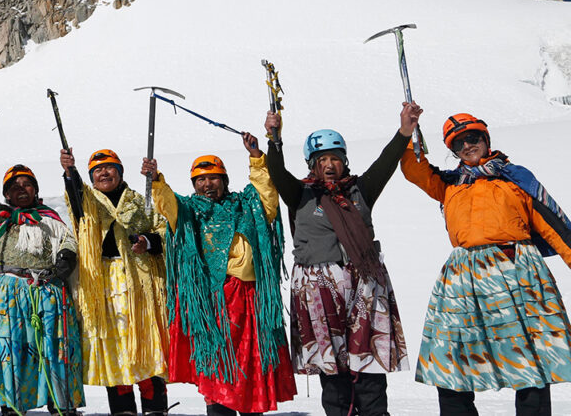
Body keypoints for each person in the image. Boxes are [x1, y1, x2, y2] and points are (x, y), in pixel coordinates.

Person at [399, 108, 571, 416]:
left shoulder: (516, 180)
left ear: (485, 138)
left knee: (529, 361)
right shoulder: (449, 183)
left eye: (472, 138)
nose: (466, 146)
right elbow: (414, 169)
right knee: (450, 359)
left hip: (517, 272)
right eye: (457, 144)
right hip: (464, 278)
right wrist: (409, 131)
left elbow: (555, 229)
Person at [263, 107, 411, 416]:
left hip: (364, 286)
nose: (330, 165)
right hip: (318, 290)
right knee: (333, 368)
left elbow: (385, 163)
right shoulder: (300, 194)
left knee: (367, 360)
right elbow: (276, 172)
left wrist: (404, 132)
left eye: (335, 158)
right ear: (312, 165)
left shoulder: (360, 191)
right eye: (322, 160)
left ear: (344, 161)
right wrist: (274, 138)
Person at [147, 133, 296, 416]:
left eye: (213, 177)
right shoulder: (189, 211)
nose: (207, 184)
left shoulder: (245, 205)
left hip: (250, 300)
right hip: (213, 302)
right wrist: (157, 181)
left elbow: (267, 196)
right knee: (217, 365)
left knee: (252, 363)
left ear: (225, 180)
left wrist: (256, 159)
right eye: (200, 179)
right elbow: (168, 204)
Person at [0, 137, 84, 415]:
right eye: (14, 186)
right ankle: (11, 405)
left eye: (27, 184)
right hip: (3, 297)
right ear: (6, 194)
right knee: (10, 350)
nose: (21, 189)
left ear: (36, 190)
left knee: (53, 351)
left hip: (45, 293)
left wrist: (67, 258)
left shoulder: (49, 218)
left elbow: (68, 241)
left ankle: (60, 403)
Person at [61, 147, 169, 416]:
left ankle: (155, 409)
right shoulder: (87, 202)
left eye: (110, 167)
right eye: (97, 170)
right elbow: (75, 195)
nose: (103, 173)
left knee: (146, 346)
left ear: (120, 172)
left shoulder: (140, 199)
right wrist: (70, 172)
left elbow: (164, 232)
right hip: (103, 286)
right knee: (114, 348)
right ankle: (123, 411)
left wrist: (148, 242)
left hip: (140, 284)